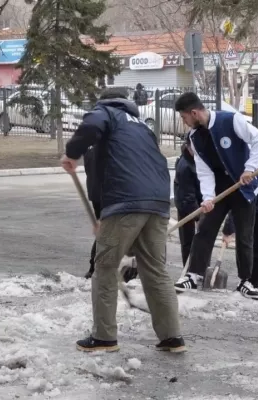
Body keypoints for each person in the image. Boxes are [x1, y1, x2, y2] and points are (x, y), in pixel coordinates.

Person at [61, 89, 185, 353]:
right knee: (155, 270)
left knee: (104, 268)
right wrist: (102, 215)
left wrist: (71, 153)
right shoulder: (141, 128)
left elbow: (91, 126)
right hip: (159, 203)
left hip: (126, 202)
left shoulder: (106, 113)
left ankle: (104, 337)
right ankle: (172, 337)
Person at [172, 92, 258, 300]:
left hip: (243, 186)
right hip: (219, 190)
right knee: (205, 229)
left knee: (244, 235)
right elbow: (204, 171)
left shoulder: (230, 120)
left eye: (184, 117)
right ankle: (193, 275)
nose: (184, 121)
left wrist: (249, 169)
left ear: (194, 113)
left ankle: (246, 281)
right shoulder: (195, 138)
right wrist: (207, 198)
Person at [83, 145, 138, 282]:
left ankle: (94, 267)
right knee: (110, 230)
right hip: (109, 195)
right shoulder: (109, 147)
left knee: (104, 230)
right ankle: (100, 267)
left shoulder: (90, 147)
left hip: (96, 193)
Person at [221, 171, 258, 289]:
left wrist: (228, 230)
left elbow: (238, 203)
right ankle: (246, 280)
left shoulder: (240, 166)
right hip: (252, 196)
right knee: (245, 239)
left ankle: (253, 282)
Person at [173, 135, 202, 266]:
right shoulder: (185, 166)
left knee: (202, 240)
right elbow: (187, 198)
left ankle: (200, 268)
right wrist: (199, 216)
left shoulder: (199, 158)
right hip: (186, 206)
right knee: (188, 241)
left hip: (200, 202)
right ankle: (189, 270)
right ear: (189, 146)